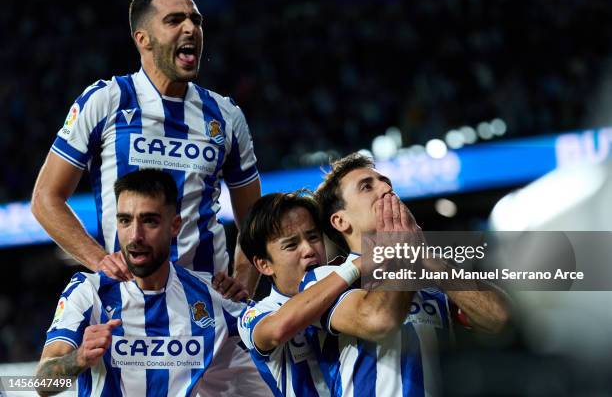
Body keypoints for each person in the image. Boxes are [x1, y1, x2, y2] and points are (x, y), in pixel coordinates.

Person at [30, 0, 260, 297]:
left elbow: (255, 220)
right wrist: (99, 260)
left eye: (196, 20)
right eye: (174, 20)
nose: (190, 28)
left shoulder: (226, 116)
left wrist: (243, 282)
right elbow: (46, 198)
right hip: (126, 305)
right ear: (143, 38)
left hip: (206, 311)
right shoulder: (106, 101)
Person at [35, 169, 268, 396]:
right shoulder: (89, 291)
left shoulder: (212, 294)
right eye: (125, 220)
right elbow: (42, 383)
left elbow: (276, 330)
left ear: (175, 226)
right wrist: (80, 357)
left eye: (149, 221)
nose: (135, 235)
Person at [307, 152, 510, 396]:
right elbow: (379, 320)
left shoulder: (432, 277)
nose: (385, 188)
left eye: (385, 182)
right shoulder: (324, 280)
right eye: (366, 187)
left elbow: (500, 320)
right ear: (340, 221)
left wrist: (425, 256)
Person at [237, 191, 418, 396]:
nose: (309, 250)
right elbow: (278, 329)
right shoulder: (257, 313)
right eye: (291, 245)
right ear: (264, 264)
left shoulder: (347, 286)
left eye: (313, 237)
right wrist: (355, 266)